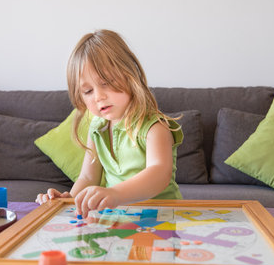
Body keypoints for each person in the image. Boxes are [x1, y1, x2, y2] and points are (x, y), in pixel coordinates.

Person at [36, 29, 183, 217]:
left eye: (106, 83)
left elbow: (159, 174)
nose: (99, 96)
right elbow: (88, 178)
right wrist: (69, 200)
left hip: (160, 219)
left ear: (130, 76)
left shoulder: (155, 127)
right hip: (118, 218)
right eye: (88, 91)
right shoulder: (97, 128)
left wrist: (115, 194)